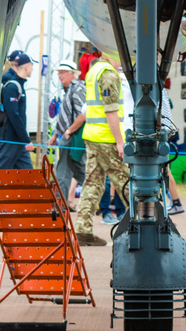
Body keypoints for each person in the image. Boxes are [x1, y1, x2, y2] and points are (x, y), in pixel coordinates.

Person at [74, 49, 131, 245]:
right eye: (121, 56)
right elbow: (111, 111)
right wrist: (120, 141)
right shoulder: (108, 74)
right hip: (105, 138)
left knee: (92, 183)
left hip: (92, 135)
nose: (123, 60)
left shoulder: (94, 70)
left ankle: (83, 230)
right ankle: (145, 222)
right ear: (109, 54)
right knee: (125, 180)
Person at [52, 61, 86, 209]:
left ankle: (60, 205)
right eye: (59, 73)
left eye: (63, 72)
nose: (60, 76)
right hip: (70, 137)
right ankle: (102, 199)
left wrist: (69, 131)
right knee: (80, 171)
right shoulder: (69, 89)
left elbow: (82, 115)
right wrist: (55, 135)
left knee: (63, 171)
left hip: (72, 138)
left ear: (72, 73)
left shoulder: (77, 89)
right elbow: (64, 117)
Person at [0, 51, 35, 170]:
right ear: (26, 66)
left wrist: (23, 139)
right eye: (32, 66)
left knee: (28, 174)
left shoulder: (19, 86)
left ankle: (32, 188)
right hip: (11, 139)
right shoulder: (12, 87)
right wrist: (26, 139)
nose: (32, 69)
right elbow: (14, 115)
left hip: (18, 140)